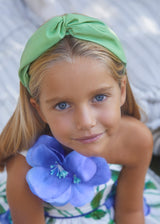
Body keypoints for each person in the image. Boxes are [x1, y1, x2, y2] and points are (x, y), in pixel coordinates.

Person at [0, 13, 160, 224]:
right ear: (38, 109)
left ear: (121, 91)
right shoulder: (24, 165)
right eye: (62, 105)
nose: (86, 122)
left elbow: (130, 213)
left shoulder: (135, 140)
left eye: (99, 97)